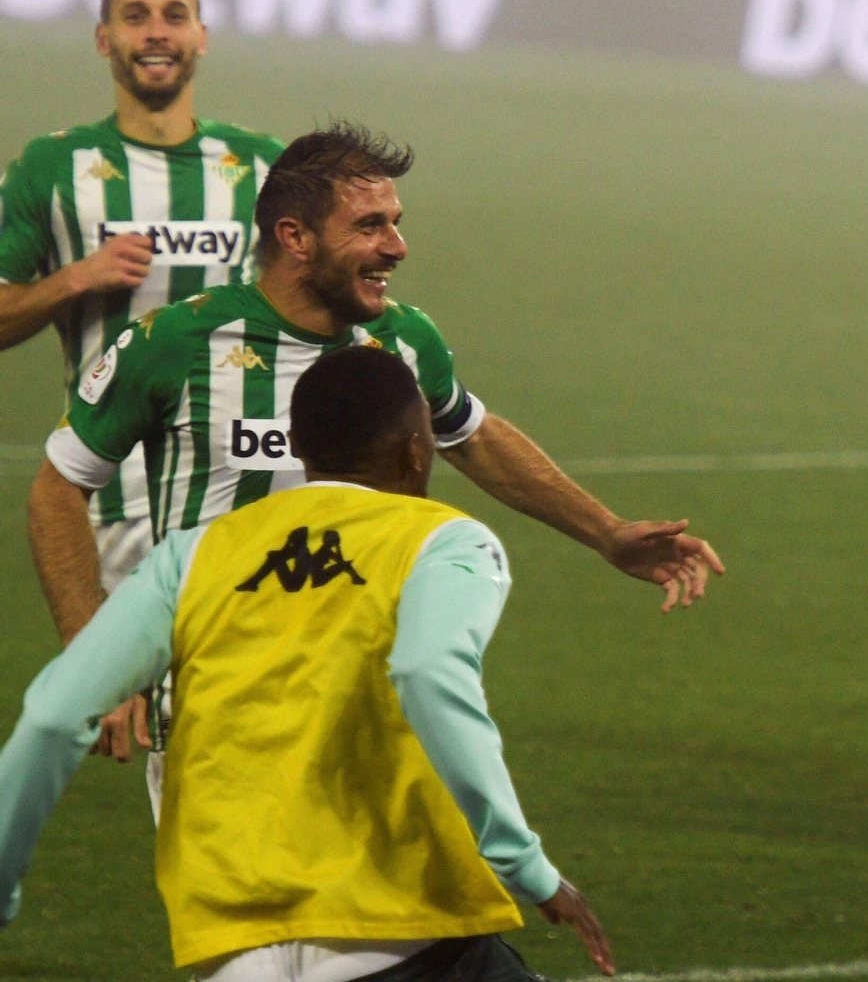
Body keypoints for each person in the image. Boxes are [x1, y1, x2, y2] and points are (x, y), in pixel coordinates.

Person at [28, 120, 724, 814]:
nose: (396, 245)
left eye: (395, 222)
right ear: (296, 237)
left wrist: (607, 533)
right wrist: (93, 657)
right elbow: (59, 485)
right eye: (369, 226)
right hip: (224, 712)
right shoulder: (176, 342)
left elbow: (471, 435)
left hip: (374, 704)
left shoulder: (403, 338)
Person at [0, 345, 617, 981]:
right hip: (404, 932)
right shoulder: (442, 539)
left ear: (296, 447)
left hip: (233, 950)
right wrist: (524, 866)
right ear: (416, 450)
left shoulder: (190, 556)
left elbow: (52, 716)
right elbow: (427, 672)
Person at [0, 0, 282, 617]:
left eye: (174, 15)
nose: (157, 32)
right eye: (136, 16)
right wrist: (72, 280)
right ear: (105, 38)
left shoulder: (265, 168)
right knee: (124, 685)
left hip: (249, 493)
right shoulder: (53, 167)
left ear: (201, 36)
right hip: (116, 497)